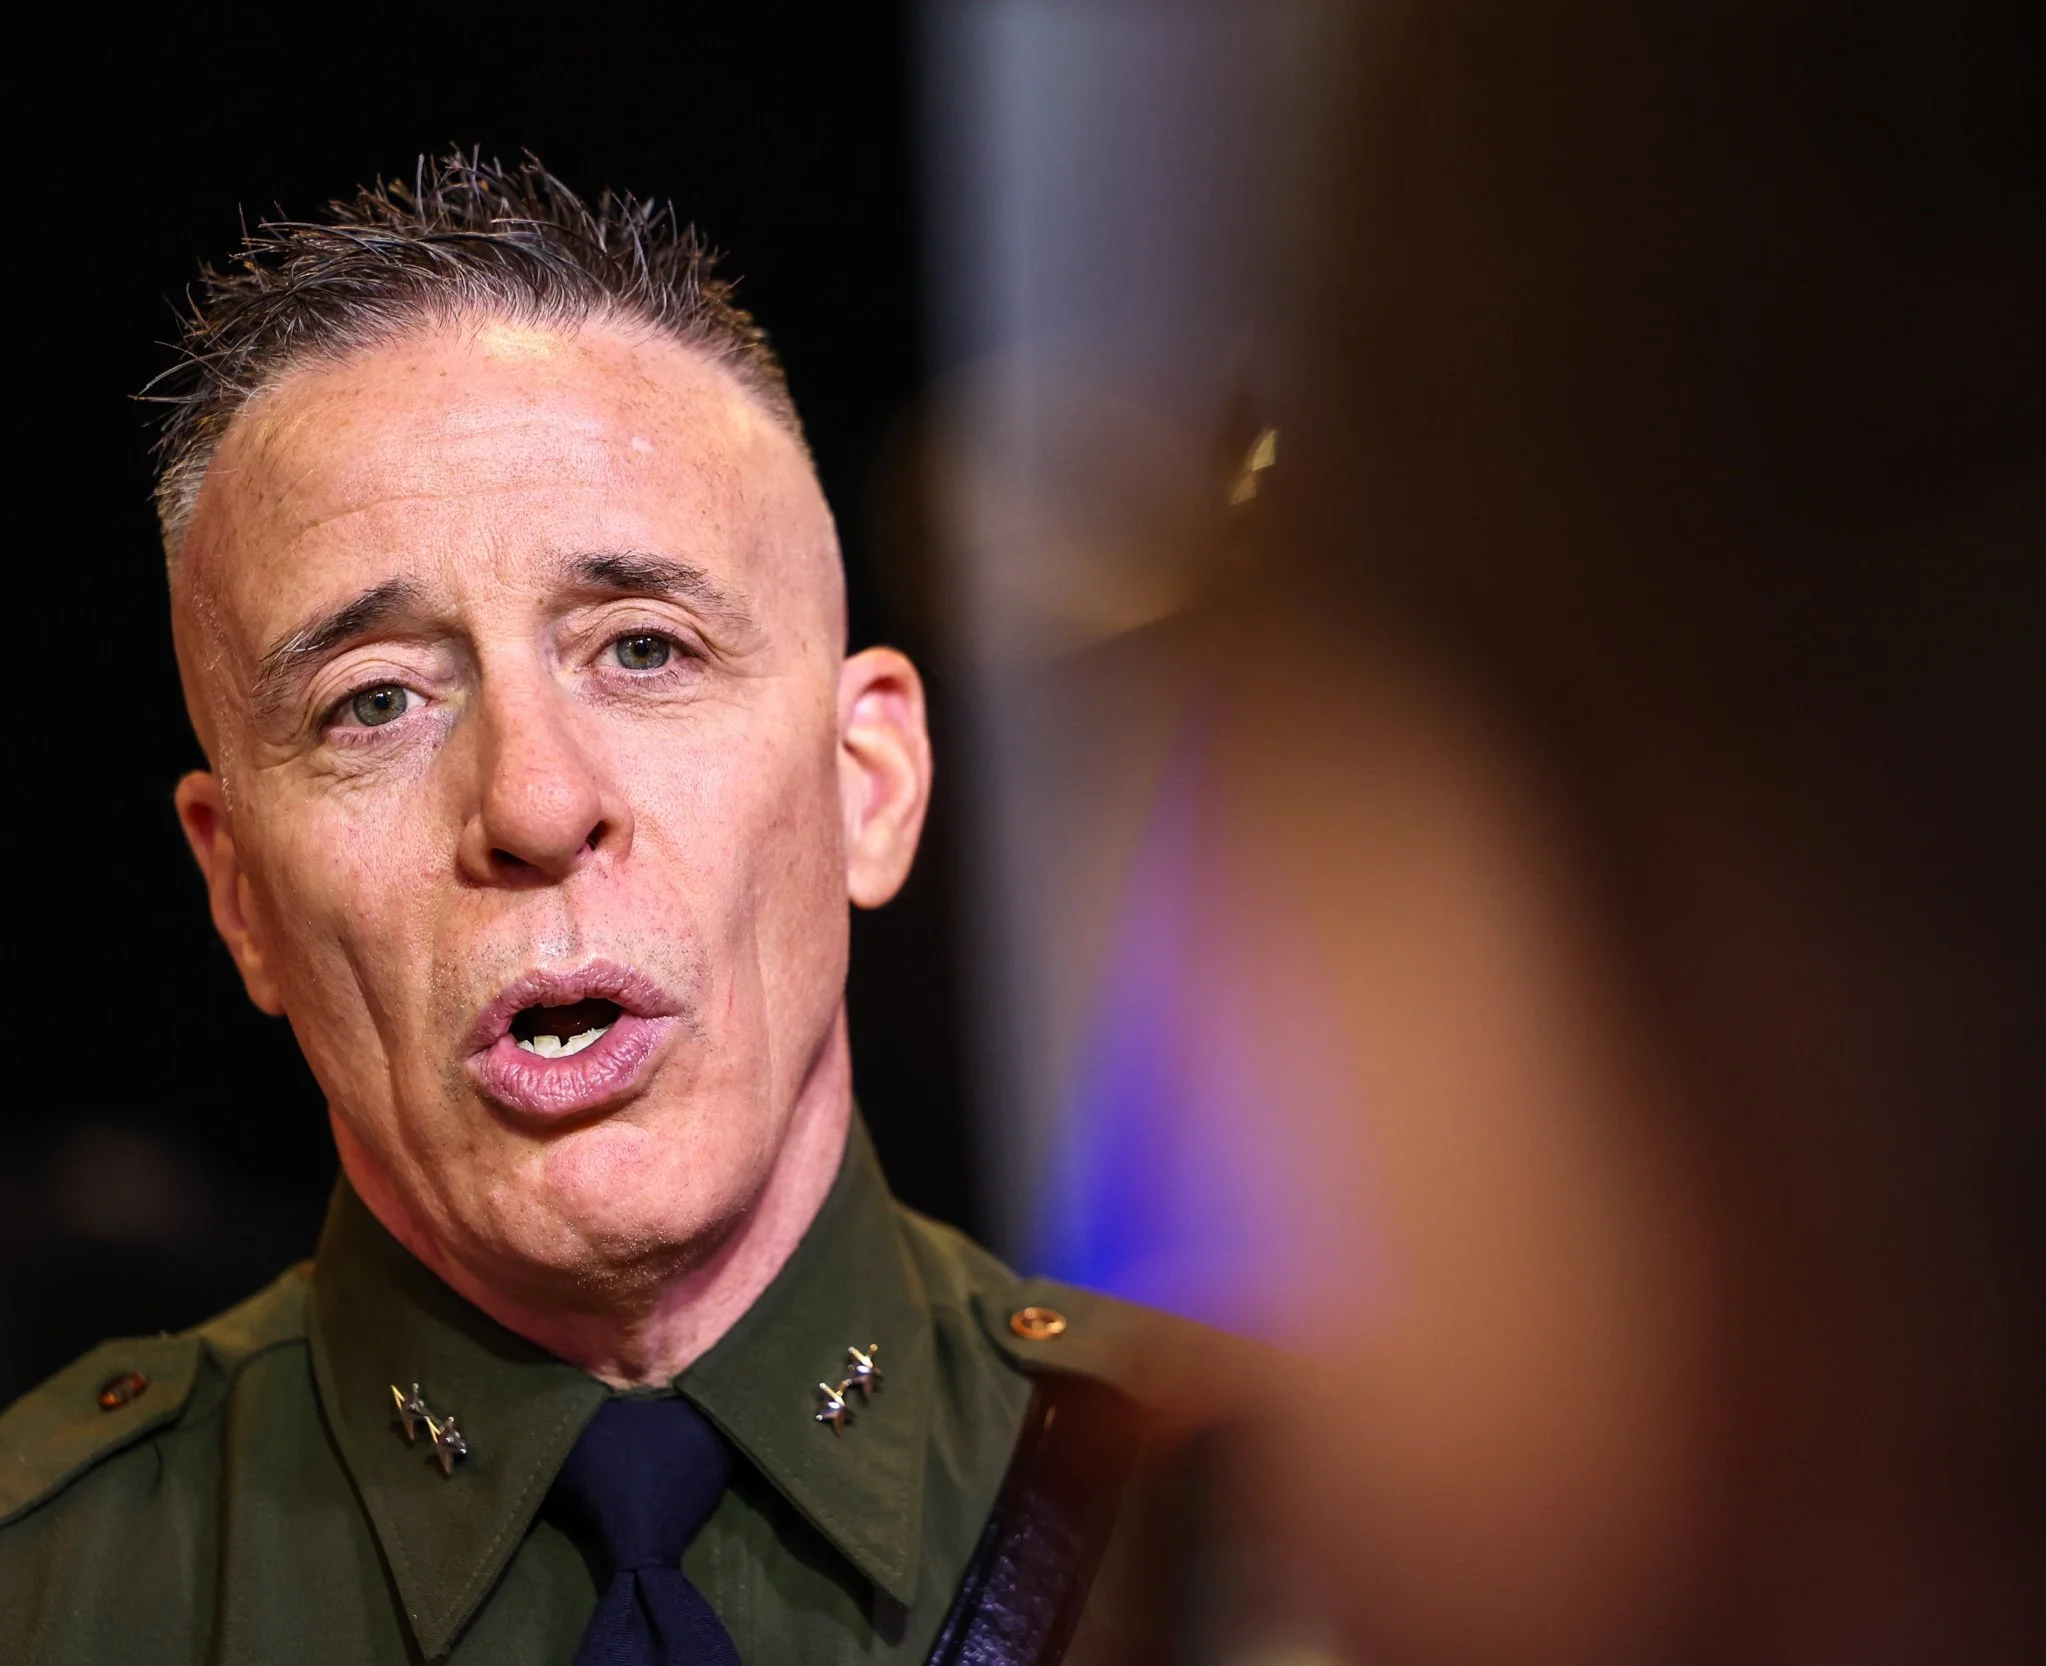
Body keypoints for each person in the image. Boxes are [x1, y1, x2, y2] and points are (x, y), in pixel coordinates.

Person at [0, 153, 1263, 1665]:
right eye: (378, 699)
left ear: (871, 780)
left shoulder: (1308, 1549)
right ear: (241, 895)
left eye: (645, 650)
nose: (534, 802)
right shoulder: (45, 1591)